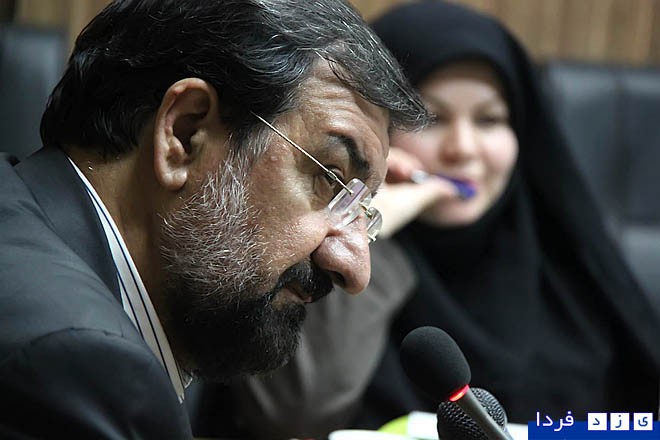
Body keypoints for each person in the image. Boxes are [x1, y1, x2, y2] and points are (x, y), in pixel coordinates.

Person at [228, 1, 660, 437]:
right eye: (431, 119)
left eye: (489, 120)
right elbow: (293, 412)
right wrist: (366, 221)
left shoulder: (568, 268)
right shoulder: (322, 255)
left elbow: (635, 421)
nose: (464, 149)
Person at [0, 0, 430, 438]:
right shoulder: (80, 364)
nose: (356, 270)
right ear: (185, 134)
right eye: (330, 180)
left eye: (361, 209)